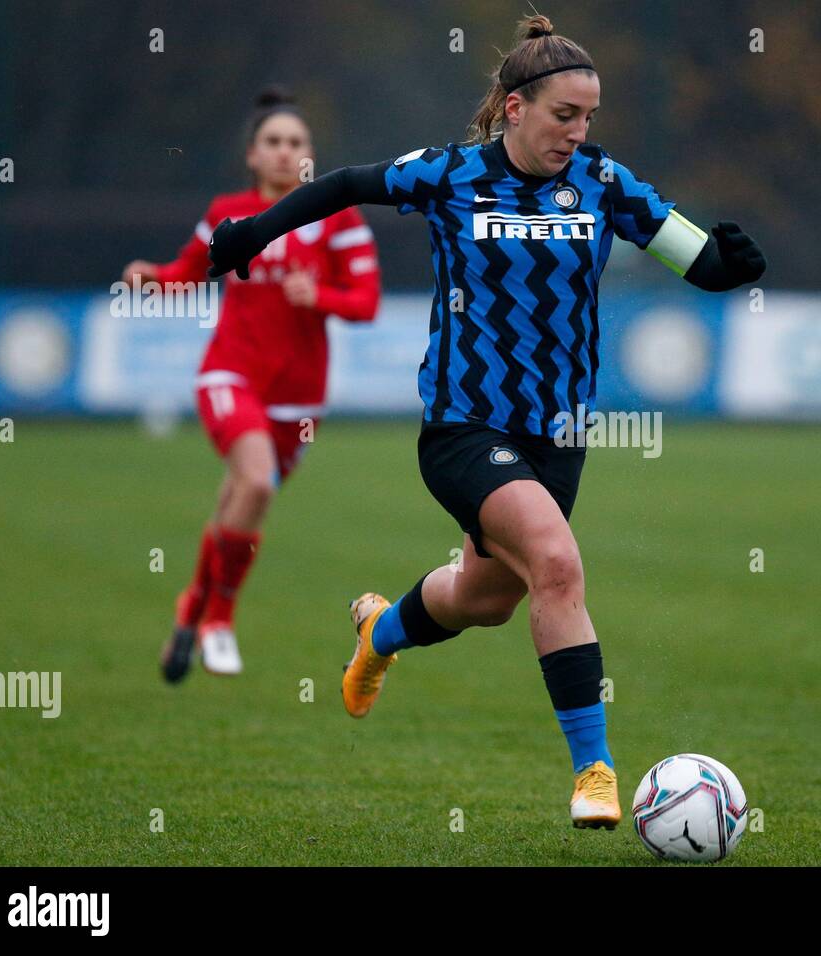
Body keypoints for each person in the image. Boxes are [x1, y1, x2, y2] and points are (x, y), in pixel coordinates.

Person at [204, 15, 765, 828]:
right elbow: (346, 185)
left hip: (559, 434)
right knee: (557, 566)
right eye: (562, 115)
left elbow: (698, 257)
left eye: (589, 118)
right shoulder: (451, 175)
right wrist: (255, 232)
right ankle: (597, 772)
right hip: (464, 426)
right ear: (513, 108)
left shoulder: (605, 183)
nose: (578, 132)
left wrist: (731, 267)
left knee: (486, 597)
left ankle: (380, 634)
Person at [123, 87, 382, 680]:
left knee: (236, 503)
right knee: (255, 482)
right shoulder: (228, 212)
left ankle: (190, 607)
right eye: (273, 142)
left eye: (297, 142)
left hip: (300, 399)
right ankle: (219, 619)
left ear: (310, 154)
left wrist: (321, 295)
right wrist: (151, 279)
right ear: (252, 154)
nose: (285, 152)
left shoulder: (337, 218)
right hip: (230, 374)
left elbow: (367, 302)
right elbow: (188, 271)